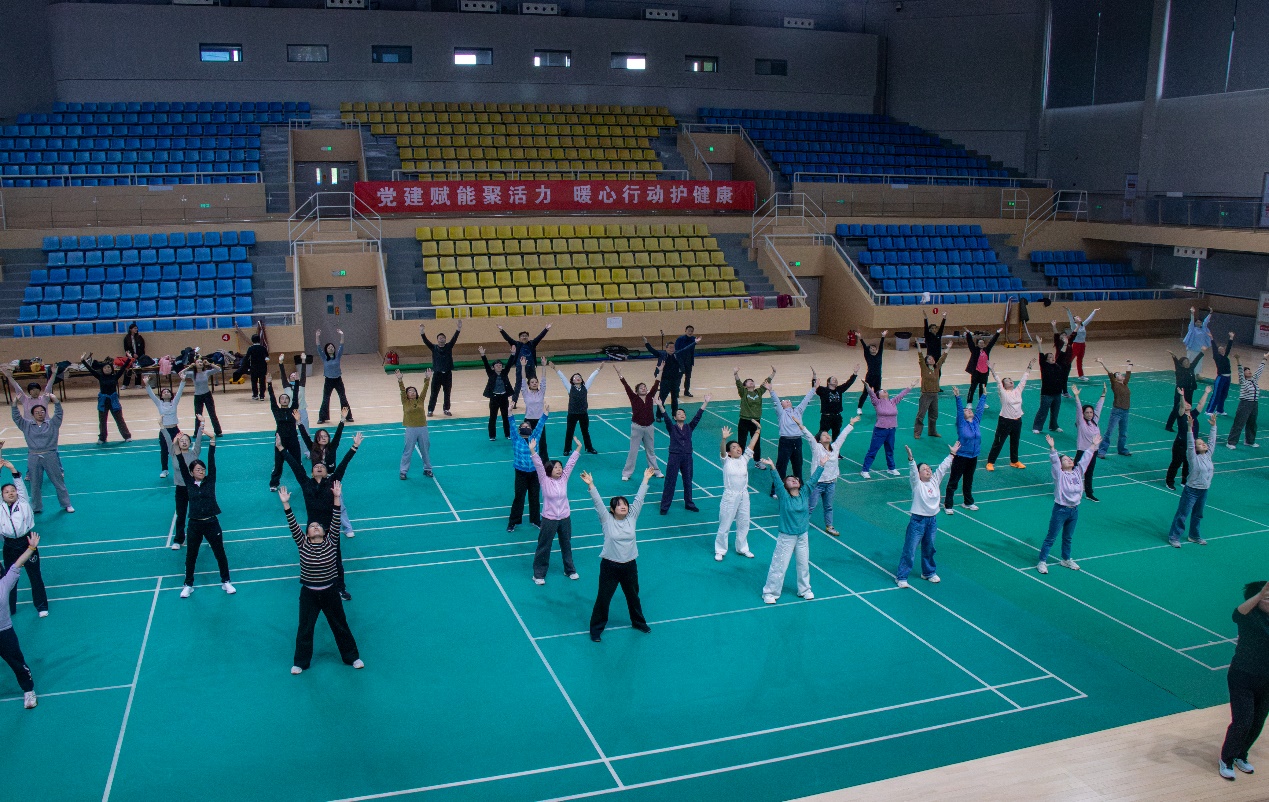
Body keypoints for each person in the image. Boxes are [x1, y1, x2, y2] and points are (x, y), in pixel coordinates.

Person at [279, 482, 363, 674]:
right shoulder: (302, 543)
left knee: (340, 625)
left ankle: (352, 657)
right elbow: (292, 523)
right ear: (307, 534)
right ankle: (300, 662)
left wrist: (336, 497)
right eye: (312, 526)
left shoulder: (331, 541)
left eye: (318, 526)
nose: (315, 527)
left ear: (325, 532)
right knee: (305, 628)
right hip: (309, 594)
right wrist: (286, 504)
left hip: (330, 592)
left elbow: (336, 518)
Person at [279, 432, 363, 599]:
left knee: (336, 559)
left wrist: (354, 447)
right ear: (312, 473)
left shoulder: (333, 482)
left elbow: (343, 464)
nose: (319, 467)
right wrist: (281, 449)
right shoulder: (305, 483)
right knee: (309, 556)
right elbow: (295, 465)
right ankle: (312, 584)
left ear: (326, 473)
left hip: (330, 527)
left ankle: (340, 588)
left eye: (322, 467)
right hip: (312, 527)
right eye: (316, 467)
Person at [582, 468, 654, 642]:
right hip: (610, 566)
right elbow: (598, 502)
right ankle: (596, 629)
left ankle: (638, 622)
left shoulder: (632, 517)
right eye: (619, 504)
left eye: (625, 504)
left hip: (630, 565)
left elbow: (639, 499)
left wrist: (645, 479)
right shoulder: (606, 520)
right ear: (612, 509)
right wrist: (591, 485)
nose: (624, 506)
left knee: (633, 596)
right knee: (604, 598)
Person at [1218, 580, 1269, 780]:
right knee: (1243, 721)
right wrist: (1259, 595)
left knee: (1257, 721)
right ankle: (1226, 759)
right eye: (1266, 599)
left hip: (1266, 680)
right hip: (1243, 676)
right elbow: (1236, 614)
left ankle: (1241, 754)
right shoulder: (1249, 617)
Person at [176, 428, 235, 598]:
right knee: (191, 555)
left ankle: (226, 581)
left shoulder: (210, 480)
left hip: (211, 522)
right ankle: (188, 584)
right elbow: (180, 461)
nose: (202, 471)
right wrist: (176, 444)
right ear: (191, 472)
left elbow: (212, 460)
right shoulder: (188, 482)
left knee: (219, 552)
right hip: (194, 524)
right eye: (198, 469)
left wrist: (212, 440)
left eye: (203, 469)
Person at [760, 454, 826, 604]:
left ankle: (805, 590)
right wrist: (773, 467)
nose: (794, 480)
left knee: (803, 564)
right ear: (785, 486)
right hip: (787, 537)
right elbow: (777, 482)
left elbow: (813, 480)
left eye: (795, 479)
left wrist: (821, 465)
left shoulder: (804, 493)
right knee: (779, 565)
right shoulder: (784, 496)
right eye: (790, 480)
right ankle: (769, 592)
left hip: (802, 536)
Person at [896, 442, 957, 588]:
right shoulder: (917, 484)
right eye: (924, 469)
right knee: (910, 550)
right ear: (919, 474)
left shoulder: (934, 481)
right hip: (917, 522)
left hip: (932, 521)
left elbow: (942, 468)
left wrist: (952, 454)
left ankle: (928, 572)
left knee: (929, 548)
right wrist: (911, 459)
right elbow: (912, 472)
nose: (928, 470)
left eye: (929, 468)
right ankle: (902, 577)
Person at [1037, 433, 1099, 574]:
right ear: (1061, 465)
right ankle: (1042, 562)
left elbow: (1085, 459)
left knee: (1068, 537)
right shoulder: (1059, 474)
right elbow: (1054, 461)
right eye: (1065, 460)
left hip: (1074, 511)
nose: (1069, 460)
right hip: (1060, 510)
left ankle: (1066, 559)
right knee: (1051, 537)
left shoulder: (1077, 472)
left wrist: (1093, 445)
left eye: (1070, 459)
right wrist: (1052, 448)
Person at [530, 437, 582, 584]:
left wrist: (578, 447)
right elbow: (538, 465)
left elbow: (571, 463)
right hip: (549, 519)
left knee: (566, 544)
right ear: (549, 469)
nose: (560, 469)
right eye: (556, 467)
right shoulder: (544, 480)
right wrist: (533, 450)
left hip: (565, 518)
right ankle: (538, 575)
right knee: (544, 547)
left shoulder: (564, 478)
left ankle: (569, 570)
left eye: (560, 467)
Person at [797, 412, 859, 536]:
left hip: (831, 483)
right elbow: (809, 436)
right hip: (817, 484)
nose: (827, 436)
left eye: (828, 434)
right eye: (824, 435)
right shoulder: (817, 448)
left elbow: (842, 436)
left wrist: (851, 424)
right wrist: (801, 425)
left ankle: (829, 526)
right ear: (819, 440)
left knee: (829, 506)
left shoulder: (835, 447)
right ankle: (800, 526)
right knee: (811, 506)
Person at [9, 398, 73, 514]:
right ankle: (36, 507)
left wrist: (56, 401)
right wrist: (14, 404)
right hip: (34, 457)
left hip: (50, 456)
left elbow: (59, 413)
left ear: (45, 413)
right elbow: (16, 417)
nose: (40, 414)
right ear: (32, 415)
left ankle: (66, 504)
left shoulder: (53, 424)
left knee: (58, 482)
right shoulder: (26, 425)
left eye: (42, 412)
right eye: (37, 412)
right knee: (35, 484)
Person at [0, 459, 46, 618]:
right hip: (9, 545)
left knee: (35, 576)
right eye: (6, 492)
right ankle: (10, 608)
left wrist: (12, 468)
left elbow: (19, 484)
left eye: (13, 490)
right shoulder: (0, 507)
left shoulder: (23, 502)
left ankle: (41, 606)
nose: (11, 493)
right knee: (9, 578)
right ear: (2, 496)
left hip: (27, 542)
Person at [0, 532, 40, 709]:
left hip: (4, 632)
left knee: (17, 662)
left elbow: (18, 563)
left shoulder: (5, 583)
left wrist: (31, 548)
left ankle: (29, 691)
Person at [1169, 414, 1217, 548]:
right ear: (1195, 449)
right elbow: (1190, 444)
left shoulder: (1208, 455)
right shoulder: (1193, 458)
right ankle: (1174, 537)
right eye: (1200, 444)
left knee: (1198, 514)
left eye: (1203, 443)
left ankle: (1194, 536)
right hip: (1191, 490)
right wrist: (1190, 428)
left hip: (1204, 490)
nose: (1204, 444)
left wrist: (1213, 426)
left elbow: (1212, 441)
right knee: (1183, 514)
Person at [657, 395, 710, 514]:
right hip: (674, 456)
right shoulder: (672, 428)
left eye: (683, 413)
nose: (682, 414)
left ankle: (689, 504)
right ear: (675, 417)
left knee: (688, 480)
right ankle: (664, 506)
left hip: (687, 456)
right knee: (670, 481)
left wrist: (705, 402)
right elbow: (666, 418)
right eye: (679, 413)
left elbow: (697, 417)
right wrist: (660, 406)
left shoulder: (689, 427)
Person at [717, 424, 761, 560]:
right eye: (734, 447)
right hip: (730, 496)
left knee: (744, 523)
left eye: (738, 446)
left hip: (744, 495)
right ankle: (720, 550)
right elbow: (722, 451)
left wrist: (757, 431)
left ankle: (742, 548)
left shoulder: (744, 459)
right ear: (729, 452)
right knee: (725, 523)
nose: (738, 449)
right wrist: (724, 439)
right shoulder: (726, 461)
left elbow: (751, 446)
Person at [768, 377, 818, 492]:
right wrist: (771, 391)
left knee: (798, 466)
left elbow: (806, 400)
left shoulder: (798, 411)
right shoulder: (781, 413)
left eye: (788, 400)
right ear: (782, 405)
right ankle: (776, 489)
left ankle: (799, 488)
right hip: (785, 441)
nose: (787, 401)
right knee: (781, 467)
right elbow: (776, 401)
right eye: (784, 401)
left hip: (798, 441)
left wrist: (814, 388)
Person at [160, 422, 203, 550]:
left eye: (186, 440)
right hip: (180, 489)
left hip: (193, 488)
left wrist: (202, 425)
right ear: (178, 443)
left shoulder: (194, 453)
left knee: (199, 514)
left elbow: (199, 439)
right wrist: (162, 426)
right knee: (181, 515)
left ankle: (204, 537)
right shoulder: (174, 453)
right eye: (182, 440)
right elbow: (168, 439)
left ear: (190, 443)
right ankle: (179, 540)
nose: (184, 442)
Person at [860, 382, 916, 479]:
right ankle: (865, 470)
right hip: (880, 431)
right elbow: (871, 394)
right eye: (881, 391)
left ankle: (891, 468)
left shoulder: (893, 401)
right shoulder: (877, 402)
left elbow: (902, 394)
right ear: (879, 396)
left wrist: (911, 386)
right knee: (873, 451)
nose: (884, 391)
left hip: (891, 430)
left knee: (890, 450)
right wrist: (867, 386)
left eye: (884, 390)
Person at [985, 361, 1033, 471]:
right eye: (1007, 381)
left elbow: (1023, 380)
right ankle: (990, 462)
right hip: (1005, 421)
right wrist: (992, 370)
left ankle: (1014, 461)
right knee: (998, 442)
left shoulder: (1018, 391)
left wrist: (1029, 367)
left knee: (1015, 442)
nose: (1010, 381)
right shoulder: (1003, 393)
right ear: (1004, 385)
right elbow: (998, 381)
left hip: (1017, 421)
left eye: (1010, 380)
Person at [614, 366, 660, 481]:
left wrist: (661, 370)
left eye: (645, 387)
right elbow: (626, 385)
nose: (643, 389)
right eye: (641, 388)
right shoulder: (633, 398)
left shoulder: (650, 396)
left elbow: (656, 383)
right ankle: (626, 473)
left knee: (650, 451)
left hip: (649, 427)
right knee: (633, 451)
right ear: (637, 391)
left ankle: (655, 471)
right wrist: (619, 374)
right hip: (637, 428)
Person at [945, 387, 985, 514]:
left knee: (968, 480)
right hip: (961, 456)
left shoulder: (976, 421)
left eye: (969, 409)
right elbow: (959, 410)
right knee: (954, 481)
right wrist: (957, 397)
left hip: (973, 456)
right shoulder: (961, 423)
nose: (969, 410)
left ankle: (968, 502)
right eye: (966, 410)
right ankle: (948, 505)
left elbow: (980, 409)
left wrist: (984, 396)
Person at [508, 413, 549, 533]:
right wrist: (510, 414)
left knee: (534, 496)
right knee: (519, 497)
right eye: (524, 426)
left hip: (534, 473)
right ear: (519, 430)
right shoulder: (516, 439)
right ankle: (513, 522)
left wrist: (545, 415)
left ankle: (535, 520)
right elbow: (511, 425)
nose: (526, 428)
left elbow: (540, 426)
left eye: (528, 426)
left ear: (531, 429)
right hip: (521, 473)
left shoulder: (535, 438)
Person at [552, 360, 602, 455]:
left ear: (582, 380)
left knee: (585, 431)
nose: (578, 378)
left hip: (583, 413)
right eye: (575, 377)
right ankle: (567, 449)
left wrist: (598, 369)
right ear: (572, 380)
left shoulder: (585, 387)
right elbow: (562, 377)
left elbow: (592, 377)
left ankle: (589, 448)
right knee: (569, 432)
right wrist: (555, 368)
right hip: (572, 414)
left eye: (579, 377)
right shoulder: (570, 387)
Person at [142, 373, 186, 478]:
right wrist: (147, 384)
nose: (166, 393)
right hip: (164, 431)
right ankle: (165, 470)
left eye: (168, 392)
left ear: (171, 395)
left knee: (179, 449)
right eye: (164, 392)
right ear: (161, 396)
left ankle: (182, 467)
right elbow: (151, 394)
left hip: (175, 430)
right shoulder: (159, 403)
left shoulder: (174, 402)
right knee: (164, 451)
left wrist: (183, 381)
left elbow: (180, 391)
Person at [82, 353, 133, 443]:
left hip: (113, 401)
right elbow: (91, 370)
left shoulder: (115, 376)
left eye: (109, 367)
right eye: (105, 368)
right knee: (102, 421)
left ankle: (127, 436)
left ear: (112, 369)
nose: (107, 369)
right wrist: (83, 361)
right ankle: (102, 438)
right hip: (103, 401)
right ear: (102, 369)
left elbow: (123, 368)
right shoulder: (100, 376)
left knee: (119, 419)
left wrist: (129, 359)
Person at [1166, 387, 1209, 490]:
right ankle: (1169, 482)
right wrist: (1181, 395)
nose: (1188, 404)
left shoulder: (1193, 414)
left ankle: (1185, 480)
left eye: (1188, 403)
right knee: (1176, 463)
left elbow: (1200, 404)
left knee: (1188, 463)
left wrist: (1206, 392)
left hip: (1192, 445)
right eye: (1185, 404)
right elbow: (1182, 406)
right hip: (1180, 444)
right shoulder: (1181, 415)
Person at [644, 336, 695, 420]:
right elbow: (652, 350)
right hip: (665, 380)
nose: (672, 349)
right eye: (670, 347)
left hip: (675, 380)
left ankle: (675, 415)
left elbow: (686, 348)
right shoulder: (661, 354)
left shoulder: (677, 353)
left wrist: (695, 342)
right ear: (666, 348)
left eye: (673, 347)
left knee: (674, 399)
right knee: (661, 399)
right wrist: (646, 343)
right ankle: (659, 416)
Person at [499, 324, 551, 408]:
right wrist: (501, 330)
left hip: (531, 368)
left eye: (526, 336)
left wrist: (546, 329)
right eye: (522, 336)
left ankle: (538, 400)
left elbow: (540, 337)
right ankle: (514, 403)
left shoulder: (532, 343)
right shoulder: (516, 344)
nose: (524, 337)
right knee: (518, 385)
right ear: (519, 338)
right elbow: (508, 338)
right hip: (520, 368)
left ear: (528, 337)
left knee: (534, 384)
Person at [1070, 383, 1106, 501]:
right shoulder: (1081, 423)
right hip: (1082, 451)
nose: (1090, 414)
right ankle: (1070, 490)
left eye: (1091, 412)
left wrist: (1103, 394)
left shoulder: (1094, 421)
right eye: (1087, 412)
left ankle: (1089, 493)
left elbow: (1099, 408)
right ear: (1083, 414)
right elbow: (1078, 408)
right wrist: (1076, 396)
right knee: (1075, 472)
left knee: (1089, 473)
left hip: (1093, 452)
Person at [735, 366, 776, 466]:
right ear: (745, 386)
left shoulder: (759, 392)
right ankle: (739, 461)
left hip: (756, 421)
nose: (751, 382)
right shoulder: (743, 392)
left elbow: (766, 382)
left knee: (756, 442)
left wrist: (773, 373)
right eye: (748, 382)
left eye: (752, 381)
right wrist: (735, 374)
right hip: (744, 420)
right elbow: (738, 384)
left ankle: (757, 461)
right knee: (742, 442)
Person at [267, 377, 302, 492]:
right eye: (282, 398)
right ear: (279, 401)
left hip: (293, 439)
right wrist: (269, 384)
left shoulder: (293, 409)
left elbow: (295, 395)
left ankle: (303, 481)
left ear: (289, 401)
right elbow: (272, 398)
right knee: (278, 463)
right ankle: (274, 483)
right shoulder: (276, 410)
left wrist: (297, 382)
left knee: (297, 462)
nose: (284, 399)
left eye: (286, 398)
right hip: (280, 440)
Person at [397, 369, 433, 480]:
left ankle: (428, 469)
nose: (412, 392)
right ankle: (403, 471)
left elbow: (425, 389)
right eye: (410, 391)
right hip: (411, 429)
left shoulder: (420, 400)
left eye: (414, 391)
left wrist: (427, 378)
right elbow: (402, 390)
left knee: (425, 450)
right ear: (406, 394)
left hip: (423, 428)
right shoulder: (405, 401)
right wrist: (400, 380)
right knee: (408, 451)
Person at [421, 320, 461, 416]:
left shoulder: (449, 346)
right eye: (440, 338)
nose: (442, 339)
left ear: (445, 340)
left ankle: (446, 409)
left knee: (447, 393)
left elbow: (455, 338)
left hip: (447, 374)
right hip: (437, 374)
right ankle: (430, 410)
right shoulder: (434, 348)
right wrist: (422, 332)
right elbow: (426, 341)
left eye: (443, 338)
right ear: (437, 340)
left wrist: (458, 329)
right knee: (434, 393)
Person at [1227, 353, 1266, 449]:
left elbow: (1260, 370)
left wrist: (1264, 359)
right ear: (1243, 374)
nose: (1249, 371)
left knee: (1252, 423)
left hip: (1254, 404)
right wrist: (1238, 360)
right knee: (1239, 423)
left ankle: (1249, 441)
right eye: (1247, 371)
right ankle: (1231, 442)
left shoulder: (1254, 380)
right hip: (1245, 404)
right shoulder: (1243, 381)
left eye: (1249, 370)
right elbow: (1240, 370)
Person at [1095, 358, 1133, 457]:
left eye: (1120, 374)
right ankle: (1102, 451)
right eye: (1118, 374)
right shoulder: (1115, 384)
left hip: (1126, 412)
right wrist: (1102, 362)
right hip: (1117, 411)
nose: (1121, 375)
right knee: (1109, 432)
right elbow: (1110, 373)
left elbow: (1128, 373)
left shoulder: (1125, 384)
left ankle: (1122, 449)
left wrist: (1130, 363)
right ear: (1115, 379)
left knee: (1123, 433)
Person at [315, 329, 352, 424]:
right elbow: (318, 347)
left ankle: (347, 416)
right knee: (326, 399)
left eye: (332, 347)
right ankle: (322, 418)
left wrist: (342, 335)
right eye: (329, 348)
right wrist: (317, 336)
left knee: (343, 398)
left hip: (338, 380)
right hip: (328, 381)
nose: (331, 348)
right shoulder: (324, 358)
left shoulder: (338, 356)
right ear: (326, 350)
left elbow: (341, 345)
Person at [1031, 342, 1069, 434]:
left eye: (1053, 356)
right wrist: (1039, 344)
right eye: (1050, 357)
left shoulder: (1057, 365)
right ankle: (1037, 427)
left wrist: (1065, 344)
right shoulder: (1044, 366)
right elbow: (1041, 355)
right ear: (1046, 359)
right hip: (1047, 394)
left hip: (1057, 393)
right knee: (1043, 411)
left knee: (1055, 412)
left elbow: (1062, 354)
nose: (1053, 358)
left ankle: (1053, 426)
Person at [479, 345, 515, 440]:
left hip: (504, 398)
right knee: (493, 417)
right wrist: (483, 355)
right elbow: (486, 364)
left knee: (505, 417)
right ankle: (492, 436)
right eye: (497, 365)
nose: (499, 366)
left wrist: (512, 354)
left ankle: (507, 434)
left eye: (500, 365)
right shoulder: (490, 373)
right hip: (494, 398)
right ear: (493, 367)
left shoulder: (504, 373)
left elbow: (509, 364)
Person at [914, 344, 950, 438]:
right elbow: (920, 357)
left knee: (934, 414)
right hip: (926, 395)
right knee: (921, 414)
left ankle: (932, 431)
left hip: (935, 395)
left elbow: (942, 358)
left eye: (932, 358)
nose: (932, 360)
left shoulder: (937, 368)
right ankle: (917, 432)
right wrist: (918, 346)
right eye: (929, 359)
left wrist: (948, 347)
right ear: (926, 361)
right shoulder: (924, 368)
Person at [517, 357, 549, 462]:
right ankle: (527, 459)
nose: (534, 383)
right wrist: (523, 366)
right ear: (529, 384)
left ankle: (544, 461)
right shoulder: (526, 393)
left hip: (540, 420)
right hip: (528, 421)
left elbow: (544, 380)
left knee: (542, 442)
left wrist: (544, 366)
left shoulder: (541, 392)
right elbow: (523, 380)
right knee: (527, 441)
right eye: (532, 382)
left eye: (536, 382)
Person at [1166, 349, 1205, 433]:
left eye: (1188, 361)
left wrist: (1202, 352)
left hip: (1190, 392)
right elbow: (1176, 363)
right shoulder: (1180, 369)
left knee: (1188, 408)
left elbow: (1196, 360)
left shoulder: (1191, 368)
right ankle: (1169, 426)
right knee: (1176, 409)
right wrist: (1174, 356)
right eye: (1185, 362)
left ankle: (1187, 424)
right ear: (1182, 364)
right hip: (1180, 392)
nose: (1187, 363)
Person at [815, 367, 858, 442]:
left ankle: (835, 449)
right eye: (833, 379)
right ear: (828, 382)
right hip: (826, 417)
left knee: (836, 437)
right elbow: (814, 387)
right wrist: (814, 377)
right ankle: (816, 447)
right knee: (821, 435)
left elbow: (848, 383)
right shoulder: (823, 390)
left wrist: (854, 374)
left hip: (837, 417)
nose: (835, 380)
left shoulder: (839, 389)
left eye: (836, 379)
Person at [185, 356, 223, 436]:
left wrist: (210, 364)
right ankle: (197, 433)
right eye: (198, 362)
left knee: (212, 413)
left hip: (207, 395)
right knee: (198, 415)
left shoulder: (206, 372)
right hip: (198, 396)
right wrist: (189, 367)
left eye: (201, 362)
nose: (200, 363)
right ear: (195, 364)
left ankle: (218, 431)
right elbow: (180, 374)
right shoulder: (192, 374)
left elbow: (218, 369)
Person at [964, 329, 1002, 404]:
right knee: (973, 388)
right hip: (976, 372)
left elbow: (992, 342)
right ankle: (969, 403)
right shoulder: (974, 350)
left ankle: (981, 403)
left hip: (984, 373)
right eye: (980, 343)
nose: (981, 344)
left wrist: (997, 333)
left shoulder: (986, 350)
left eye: (982, 343)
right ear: (977, 344)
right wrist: (968, 334)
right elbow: (970, 342)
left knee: (983, 388)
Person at [275, 352, 312, 430]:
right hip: (290, 411)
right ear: (289, 379)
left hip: (302, 410)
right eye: (292, 376)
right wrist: (280, 363)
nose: (293, 376)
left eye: (295, 375)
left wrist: (303, 360)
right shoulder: (287, 386)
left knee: (305, 431)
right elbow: (283, 375)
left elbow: (303, 373)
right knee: (291, 431)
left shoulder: (301, 385)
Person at [1063, 306, 1099, 380]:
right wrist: (1068, 311)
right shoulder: (1074, 326)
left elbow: (1089, 319)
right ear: (1074, 321)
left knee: (1080, 360)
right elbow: (1070, 319)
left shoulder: (1083, 325)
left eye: (1078, 316)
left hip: (1082, 344)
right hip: (1076, 345)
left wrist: (1094, 311)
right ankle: (1063, 374)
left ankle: (1081, 375)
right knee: (1069, 360)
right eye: (1076, 317)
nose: (1078, 317)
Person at [1207, 332, 1236, 416]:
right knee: (1216, 394)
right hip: (1221, 378)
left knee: (1224, 394)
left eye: (1223, 349)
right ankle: (1209, 410)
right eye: (1220, 349)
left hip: (1228, 378)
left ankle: (1220, 410)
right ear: (1218, 351)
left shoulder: (1225, 356)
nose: (1222, 350)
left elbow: (1229, 347)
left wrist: (1231, 338)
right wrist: (1212, 338)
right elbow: (1214, 348)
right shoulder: (1217, 357)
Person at [856, 331, 886, 412]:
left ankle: (879, 408)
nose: (873, 349)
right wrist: (860, 338)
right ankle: (859, 408)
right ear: (869, 350)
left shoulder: (879, 355)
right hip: (870, 377)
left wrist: (883, 336)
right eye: (871, 348)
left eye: (874, 348)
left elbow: (881, 346)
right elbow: (864, 347)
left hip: (878, 377)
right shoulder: (868, 356)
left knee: (877, 393)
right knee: (865, 393)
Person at [241, 330, 270, 400]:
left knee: (254, 382)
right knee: (262, 382)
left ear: (252, 340)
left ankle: (255, 395)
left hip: (254, 368)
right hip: (262, 367)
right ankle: (262, 396)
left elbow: (247, 358)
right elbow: (267, 357)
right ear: (259, 340)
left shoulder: (250, 349)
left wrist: (245, 366)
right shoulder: (263, 348)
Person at [674, 325, 700, 397]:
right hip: (680, 361)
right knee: (679, 377)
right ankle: (676, 392)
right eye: (689, 330)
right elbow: (676, 350)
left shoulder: (694, 339)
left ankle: (686, 391)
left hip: (689, 361)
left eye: (692, 331)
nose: (690, 332)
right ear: (685, 331)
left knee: (688, 377)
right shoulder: (680, 339)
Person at [122, 322, 149, 388]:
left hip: (139, 356)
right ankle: (125, 384)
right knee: (129, 369)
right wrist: (132, 354)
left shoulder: (139, 337)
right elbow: (126, 349)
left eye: (136, 328)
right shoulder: (126, 338)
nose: (136, 329)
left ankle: (137, 384)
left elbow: (142, 347)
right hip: (130, 356)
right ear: (130, 329)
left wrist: (138, 354)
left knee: (138, 369)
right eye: (134, 328)